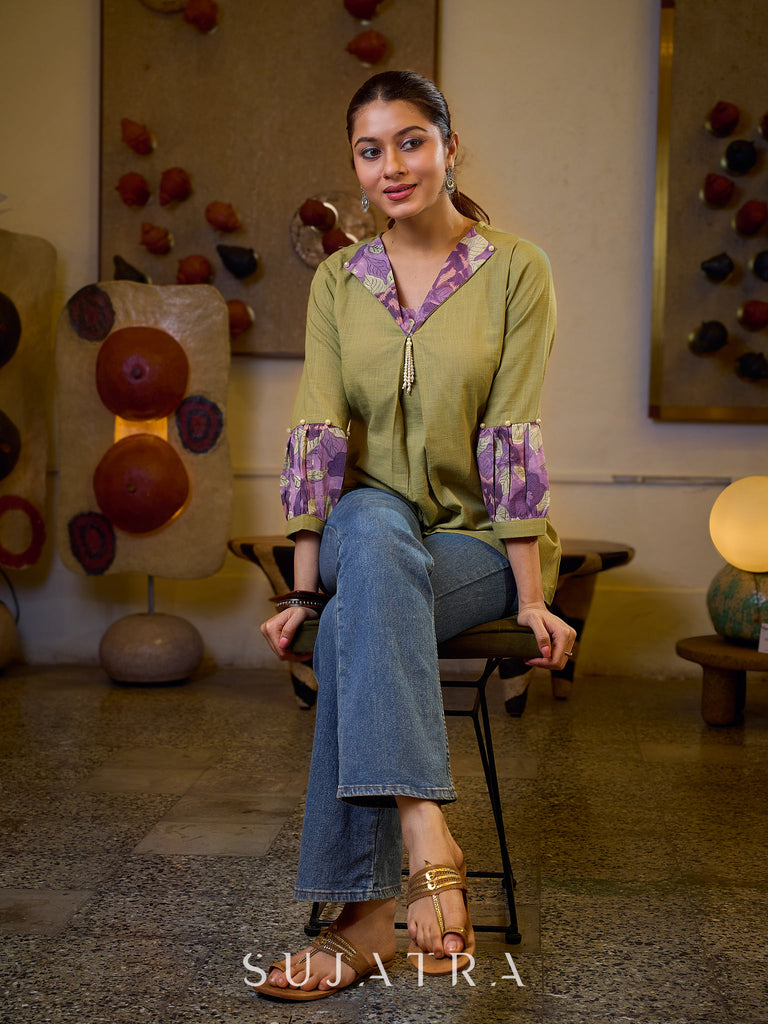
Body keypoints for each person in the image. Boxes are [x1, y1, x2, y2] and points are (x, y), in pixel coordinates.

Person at [259, 70, 576, 1001]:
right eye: (370, 149)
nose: (390, 166)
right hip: (368, 523)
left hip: (481, 540)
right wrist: (302, 588)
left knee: (367, 611)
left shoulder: (517, 269)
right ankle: (428, 829)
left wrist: (530, 599)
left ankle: (359, 922)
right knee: (369, 525)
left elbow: (511, 435)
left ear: (447, 147)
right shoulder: (336, 281)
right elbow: (318, 434)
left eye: (409, 141)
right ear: (353, 168)